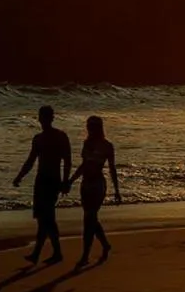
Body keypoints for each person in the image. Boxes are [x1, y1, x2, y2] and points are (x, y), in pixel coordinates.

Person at [13, 105, 71, 265]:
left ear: (51, 118)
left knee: (48, 217)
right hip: (41, 181)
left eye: (45, 117)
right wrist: (19, 176)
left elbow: (67, 160)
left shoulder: (60, 136)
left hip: (53, 181)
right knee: (42, 218)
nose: (43, 120)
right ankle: (43, 253)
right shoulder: (38, 138)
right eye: (41, 117)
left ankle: (48, 253)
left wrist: (65, 181)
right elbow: (31, 160)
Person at [68, 115, 120, 268]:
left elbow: (112, 169)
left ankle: (85, 255)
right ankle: (105, 244)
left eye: (92, 126)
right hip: (85, 184)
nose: (89, 129)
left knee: (89, 219)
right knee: (90, 218)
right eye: (88, 126)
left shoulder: (107, 146)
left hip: (98, 185)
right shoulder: (87, 143)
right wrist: (71, 180)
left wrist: (117, 190)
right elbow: (83, 165)